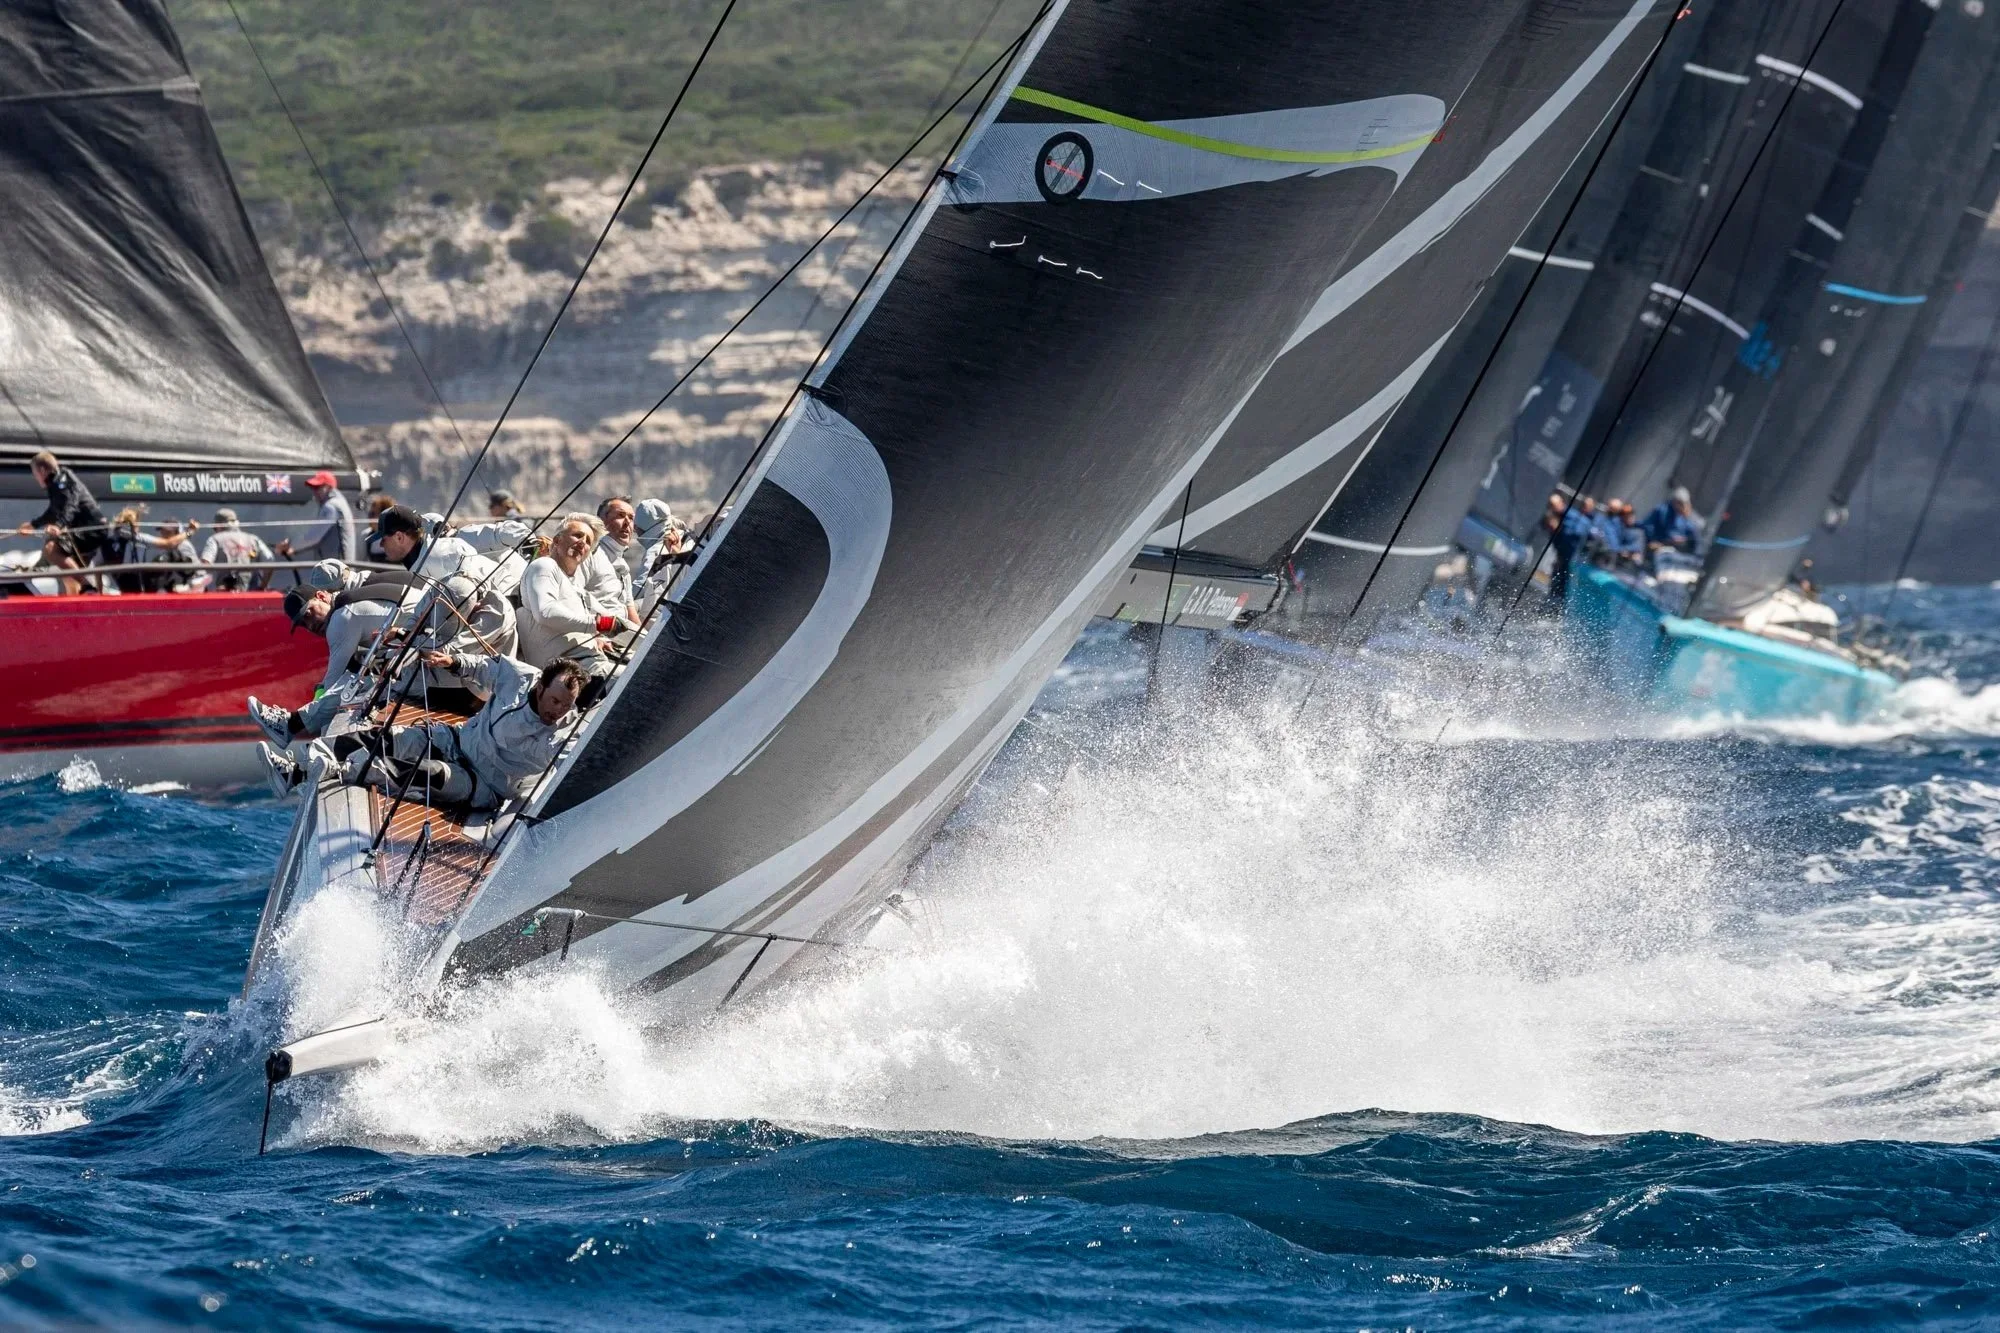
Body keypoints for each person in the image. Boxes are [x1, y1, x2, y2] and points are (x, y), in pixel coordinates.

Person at [259, 653, 586, 810]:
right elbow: (486, 668)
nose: (557, 711)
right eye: (555, 700)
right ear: (540, 686)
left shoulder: (558, 736)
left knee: (427, 773)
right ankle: (297, 768)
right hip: (458, 739)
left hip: (483, 782)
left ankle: (337, 770)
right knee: (388, 737)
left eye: (567, 705)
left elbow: (567, 764)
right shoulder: (519, 676)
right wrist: (454, 662)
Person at [518, 514, 632, 679]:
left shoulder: (580, 593)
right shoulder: (544, 566)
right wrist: (599, 625)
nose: (582, 542)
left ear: (587, 554)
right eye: (577, 535)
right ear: (556, 541)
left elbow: (622, 626)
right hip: (572, 673)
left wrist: (656, 640)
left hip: (595, 665)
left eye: (588, 542)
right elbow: (545, 612)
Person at [276, 471, 356, 563]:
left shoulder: (330, 506)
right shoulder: (340, 502)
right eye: (313, 488)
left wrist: (292, 546)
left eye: (318, 487)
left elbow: (314, 536)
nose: (314, 492)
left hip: (337, 569)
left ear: (329, 487)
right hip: (341, 567)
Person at [199, 508, 275, 591]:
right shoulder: (254, 539)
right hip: (251, 595)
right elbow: (269, 560)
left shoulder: (214, 539)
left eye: (215, 528)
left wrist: (205, 588)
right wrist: (262, 586)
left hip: (222, 594)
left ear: (218, 525)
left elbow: (205, 563)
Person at [1641, 486, 1701, 554]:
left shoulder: (1683, 517)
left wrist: (1683, 539)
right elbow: (1647, 525)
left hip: (1674, 549)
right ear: (1675, 502)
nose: (1683, 507)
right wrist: (1653, 540)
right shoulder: (1662, 511)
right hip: (1658, 546)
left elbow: (1691, 533)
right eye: (1680, 503)